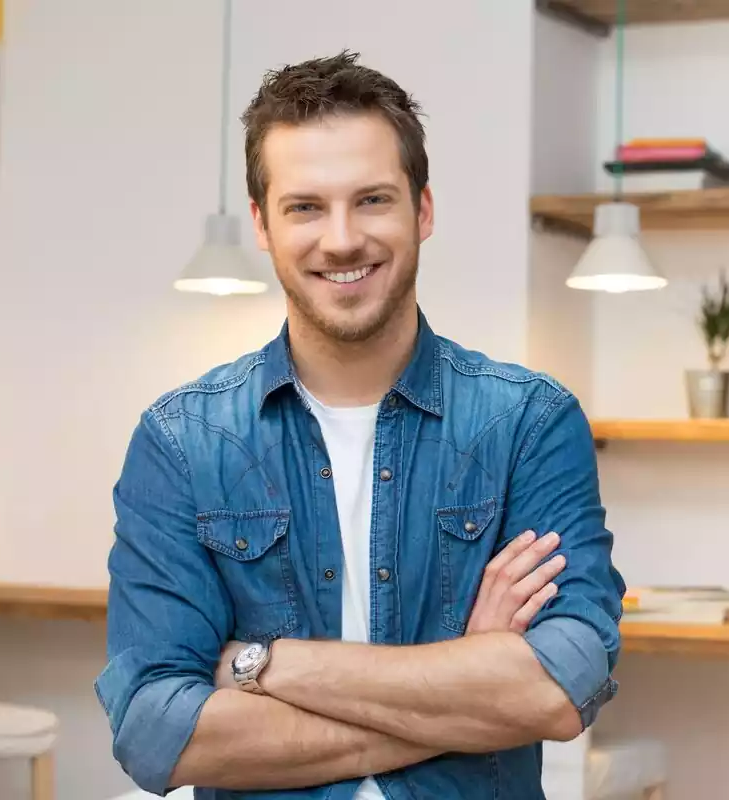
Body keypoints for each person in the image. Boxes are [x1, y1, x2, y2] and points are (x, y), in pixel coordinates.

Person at [94, 50, 625, 800]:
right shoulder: (183, 441)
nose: (341, 239)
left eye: (372, 199)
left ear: (424, 210)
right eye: (305, 207)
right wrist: (467, 672)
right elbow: (155, 732)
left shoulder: (528, 423)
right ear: (263, 226)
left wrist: (262, 665)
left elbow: (560, 687)